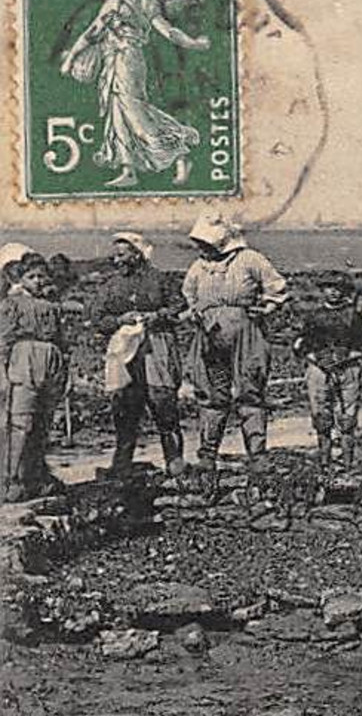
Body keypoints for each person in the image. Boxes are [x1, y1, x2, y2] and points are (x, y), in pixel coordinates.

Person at [58, 0, 211, 189]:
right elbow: (93, 32)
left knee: (135, 112)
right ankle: (128, 170)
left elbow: (168, 31)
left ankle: (179, 152)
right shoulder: (112, 3)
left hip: (129, 60)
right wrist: (70, 59)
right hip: (112, 62)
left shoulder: (146, 3)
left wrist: (193, 44)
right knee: (117, 112)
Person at [182, 214, 288, 483]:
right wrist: (196, 313)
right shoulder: (199, 266)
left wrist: (266, 307)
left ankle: (257, 456)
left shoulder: (250, 259)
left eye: (205, 242)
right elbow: (189, 295)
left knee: (249, 392)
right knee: (211, 396)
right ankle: (207, 456)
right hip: (208, 336)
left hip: (246, 334)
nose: (201, 248)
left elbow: (277, 287)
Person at [89, 231, 186, 479]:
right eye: (115, 256)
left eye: (122, 255)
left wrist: (158, 316)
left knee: (163, 402)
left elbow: (179, 305)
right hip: (123, 351)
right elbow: (97, 318)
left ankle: (175, 461)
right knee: (124, 406)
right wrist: (119, 320)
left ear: (137, 254)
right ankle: (121, 465)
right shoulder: (110, 285)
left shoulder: (159, 279)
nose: (117, 260)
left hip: (156, 346)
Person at [0, 254, 70, 501]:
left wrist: (64, 368)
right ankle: (11, 480)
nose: (38, 281)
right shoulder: (12, 303)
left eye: (42, 276)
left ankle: (35, 477)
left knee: (42, 424)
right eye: (32, 276)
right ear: (21, 279)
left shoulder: (52, 306)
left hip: (49, 363)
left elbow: (61, 340)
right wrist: (3, 372)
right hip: (23, 360)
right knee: (20, 424)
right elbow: (4, 339)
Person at [294, 272, 362, 475]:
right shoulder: (314, 317)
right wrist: (318, 359)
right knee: (322, 418)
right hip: (319, 371)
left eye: (338, 288)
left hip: (348, 370)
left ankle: (347, 465)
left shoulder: (353, 316)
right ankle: (325, 463)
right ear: (322, 291)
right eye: (329, 287)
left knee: (347, 419)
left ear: (344, 291)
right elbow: (300, 345)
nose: (333, 292)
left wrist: (346, 357)